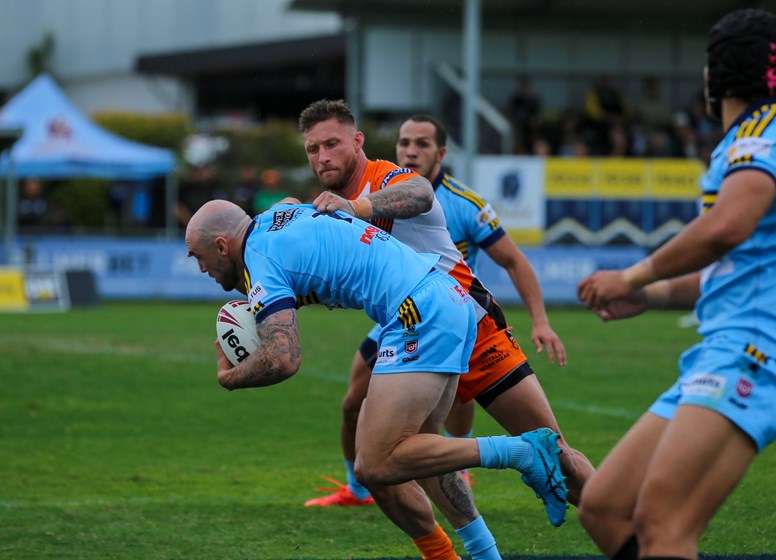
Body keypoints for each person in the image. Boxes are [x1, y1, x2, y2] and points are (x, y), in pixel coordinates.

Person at [187, 199, 567, 560]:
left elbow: (283, 359)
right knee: (421, 455)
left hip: (417, 311)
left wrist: (231, 377)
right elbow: (288, 203)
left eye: (199, 257)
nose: (202, 269)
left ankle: (521, 451)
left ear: (222, 246)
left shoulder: (260, 259)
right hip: (445, 295)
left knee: (376, 465)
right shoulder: (275, 219)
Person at [296, 99, 570, 557]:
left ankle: (622, 525)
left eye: (331, 144)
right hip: (407, 327)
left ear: (358, 141)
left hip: (469, 323)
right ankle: (475, 549)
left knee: (559, 458)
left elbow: (423, 197)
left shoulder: (396, 183)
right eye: (312, 149)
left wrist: (541, 320)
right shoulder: (331, 208)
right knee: (391, 451)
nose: (322, 156)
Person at [576, 9, 776, 560]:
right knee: (605, 507)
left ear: (717, 74)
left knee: (662, 520)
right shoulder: (743, 139)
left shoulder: (761, 132)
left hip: (753, 348)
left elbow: (725, 229)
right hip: (722, 347)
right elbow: (732, 264)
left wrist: (631, 274)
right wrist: (651, 294)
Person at [396, 113, 591, 490]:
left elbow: (514, 261)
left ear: (441, 153)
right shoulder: (382, 196)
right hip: (404, 321)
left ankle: (461, 467)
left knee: (458, 401)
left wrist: (541, 321)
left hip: (460, 319)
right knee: (358, 402)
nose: (411, 151)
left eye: (422, 143)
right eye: (404, 143)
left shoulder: (464, 204)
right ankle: (360, 489)